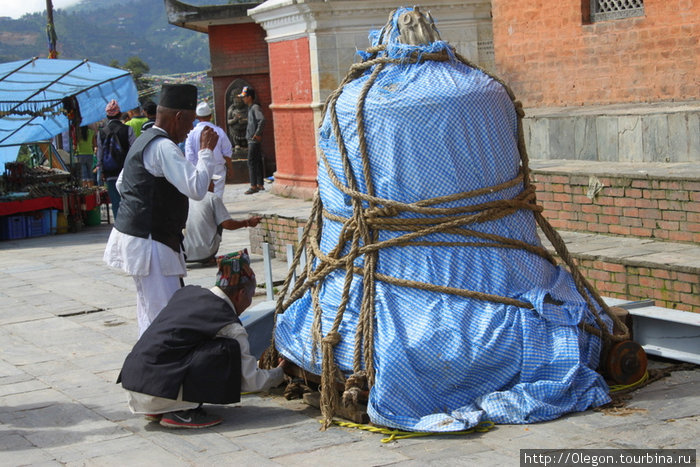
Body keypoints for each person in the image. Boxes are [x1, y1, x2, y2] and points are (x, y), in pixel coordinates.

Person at [117, 250, 286, 429]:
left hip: (135, 383)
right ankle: (180, 411)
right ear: (241, 294)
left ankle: (162, 405)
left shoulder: (187, 294)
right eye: (251, 297)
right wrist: (280, 372)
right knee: (226, 349)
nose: (249, 303)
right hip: (155, 392)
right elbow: (252, 380)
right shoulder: (230, 327)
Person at [103, 83, 219, 337]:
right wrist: (206, 152)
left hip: (142, 238)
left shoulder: (144, 139)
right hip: (151, 243)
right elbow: (197, 188)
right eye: (189, 124)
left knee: (150, 313)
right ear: (178, 117)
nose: (190, 131)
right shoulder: (164, 147)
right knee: (166, 317)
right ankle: (160, 370)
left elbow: (124, 184)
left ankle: (149, 370)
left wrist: (143, 205)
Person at [183, 174, 262, 264]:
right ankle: (207, 256)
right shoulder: (212, 198)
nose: (214, 185)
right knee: (220, 220)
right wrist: (247, 222)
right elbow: (227, 224)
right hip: (206, 253)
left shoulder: (183, 197)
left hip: (184, 255)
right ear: (205, 184)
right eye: (212, 182)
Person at [184, 101, 233, 198]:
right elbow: (227, 153)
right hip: (217, 169)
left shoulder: (191, 134)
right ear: (210, 116)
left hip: (198, 170)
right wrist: (230, 168)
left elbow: (189, 156)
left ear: (197, 117)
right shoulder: (219, 131)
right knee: (217, 197)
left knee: (201, 198)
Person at [97, 100, 135, 219]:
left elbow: (100, 153)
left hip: (110, 172)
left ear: (107, 116)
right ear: (120, 115)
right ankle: (128, 223)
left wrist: (101, 169)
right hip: (126, 171)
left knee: (115, 200)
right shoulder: (127, 129)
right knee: (127, 199)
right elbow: (134, 150)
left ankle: (118, 225)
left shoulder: (101, 133)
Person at [239, 86, 265, 195]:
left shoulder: (255, 108)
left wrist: (257, 134)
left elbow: (262, 120)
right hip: (252, 139)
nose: (243, 99)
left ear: (249, 97)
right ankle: (259, 184)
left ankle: (253, 185)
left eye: (244, 97)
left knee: (251, 162)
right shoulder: (250, 108)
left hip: (253, 140)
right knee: (257, 161)